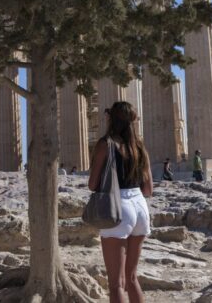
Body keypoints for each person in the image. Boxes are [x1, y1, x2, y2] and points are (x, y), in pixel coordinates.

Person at [88, 102, 153, 303]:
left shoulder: (105, 144)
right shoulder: (140, 147)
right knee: (132, 278)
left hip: (118, 207)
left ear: (111, 118)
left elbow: (92, 184)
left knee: (116, 283)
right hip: (141, 207)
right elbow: (148, 189)